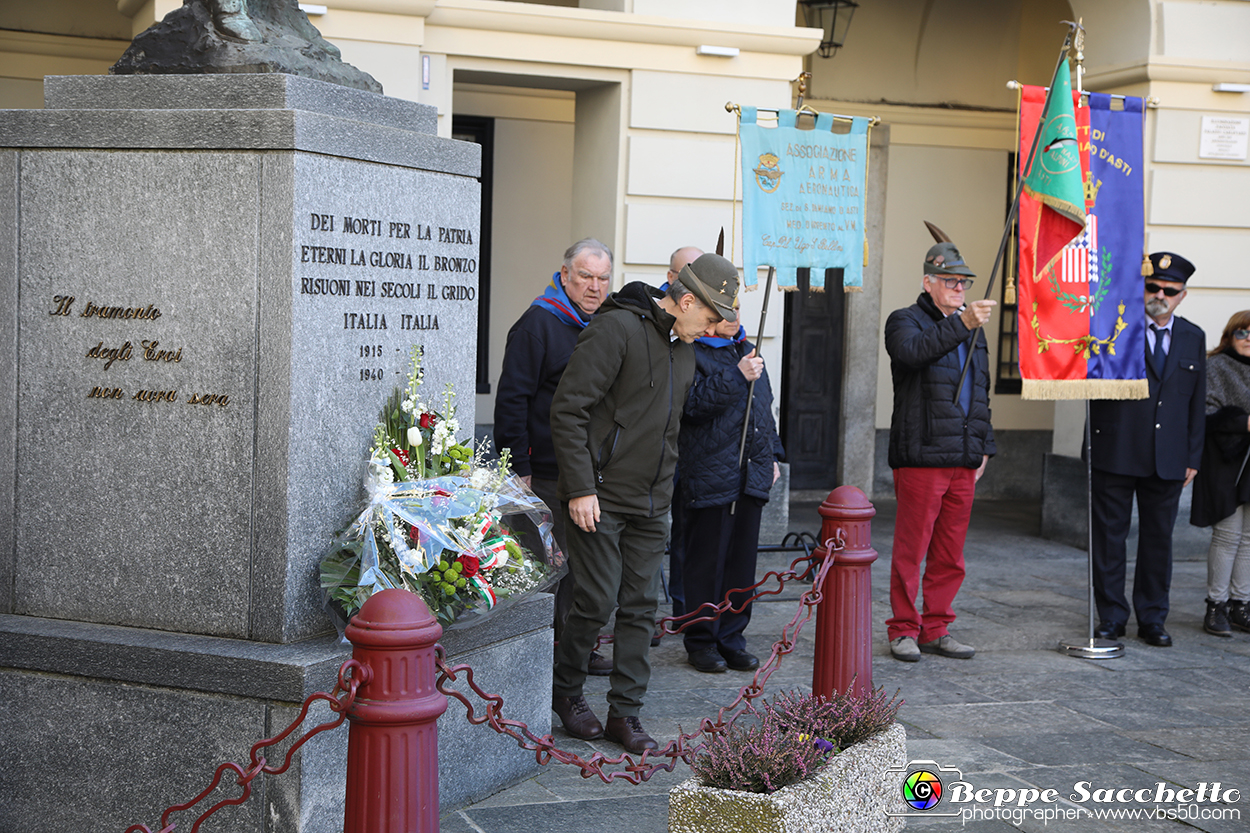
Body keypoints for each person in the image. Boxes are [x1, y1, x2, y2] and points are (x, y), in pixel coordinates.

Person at [549, 253, 738, 753]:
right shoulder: (616, 329)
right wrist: (582, 486)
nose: (716, 327)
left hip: (653, 502)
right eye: (711, 316)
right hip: (599, 497)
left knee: (640, 607)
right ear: (687, 300)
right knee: (597, 599)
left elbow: (669, 429)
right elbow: (569, 411)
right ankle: (565, 691)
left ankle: (625, 714)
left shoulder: (687, 348)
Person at [494, 238, 613, 674]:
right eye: (585, 276)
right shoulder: (538, 324)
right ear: (565, 275)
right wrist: (518, 468)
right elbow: (512, 400)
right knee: (550, 566)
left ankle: (576, 648)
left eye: (603, 279)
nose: (594, 287)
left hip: (590, 472)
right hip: (543, 471)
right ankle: (545, 655)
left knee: (583, 567)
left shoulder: (605, 325)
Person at [883, 239, 996, 662]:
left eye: (963, 281)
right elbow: (913, 354)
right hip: (923, 454)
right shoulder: (905, 321)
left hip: (963, 457)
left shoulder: (972, 329)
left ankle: (937, 627)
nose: (959, 288)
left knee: (950, 552)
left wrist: (985, 445)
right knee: (912, 549)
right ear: (927, 282)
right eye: (950, 281)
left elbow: (980, 392)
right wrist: (962, 323)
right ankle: (903, 629)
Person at [1090, 252, 1205, 648]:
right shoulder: (1116, 327)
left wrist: (1193, 456)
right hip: (1117, 449)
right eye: (1152, 287)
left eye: (1169, 291)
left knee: (1158, 542)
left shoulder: (1193, 336)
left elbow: (1196, 402)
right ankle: (1111, 617)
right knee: (1109, 540)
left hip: (1167, 457)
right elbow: (1091, 386)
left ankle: (1153, 618)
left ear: (1182, 295)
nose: (1160, 295)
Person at [677, 314, 783, 673]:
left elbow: (763, 407)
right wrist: (736, 375)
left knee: (742, 563)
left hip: (751, 470)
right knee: (706, 562)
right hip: (709, 472)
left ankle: (732, 638)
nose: (733, 315)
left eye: (737, 307)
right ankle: (702, 641)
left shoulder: (749, 350)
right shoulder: (691, 351)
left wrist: (772, 453)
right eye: (724, 308)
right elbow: (691, 406)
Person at [1190, 310, 1250, 636]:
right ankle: (1216, 606)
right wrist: (1243, 422)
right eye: (1242, 333)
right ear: (1230, 337)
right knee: (1228, 535)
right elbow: (1204, 413)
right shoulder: (1216, 367)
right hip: (1224, 461)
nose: (1249, 339)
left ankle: (1241, 605)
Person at [662, 245, 704, 621]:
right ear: (673, 279)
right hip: (650, 457)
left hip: (688, 454)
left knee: (683, 536)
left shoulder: (701, 331)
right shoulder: (655, 321)